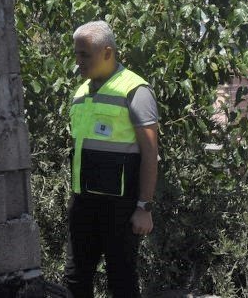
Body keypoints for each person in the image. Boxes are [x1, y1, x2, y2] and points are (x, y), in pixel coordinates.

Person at [64, 20, 159, 298]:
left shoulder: (135, 90)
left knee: (122, 279)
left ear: (107, 52)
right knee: (74, 278)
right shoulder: (81, 92)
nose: (78, 61)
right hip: (82, 203)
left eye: (85, 54)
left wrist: (145, 206)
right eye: (76, 54)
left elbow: (150, 153)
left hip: (120, 206)